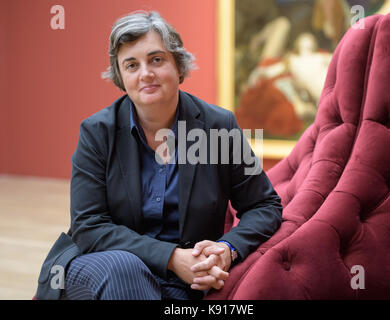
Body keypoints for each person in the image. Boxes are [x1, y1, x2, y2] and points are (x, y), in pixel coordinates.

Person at [35, 11, 282, 300]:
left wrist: (226, 249)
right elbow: (88, 226)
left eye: (156, 59)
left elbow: (264, 205)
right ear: (120, 77)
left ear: (179, 66)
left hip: (183, 282)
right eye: (131, 65)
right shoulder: (97, 132)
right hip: (97, 265)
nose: (145, 74)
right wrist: (172, 258)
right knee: (123, 268)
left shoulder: (218, 127)